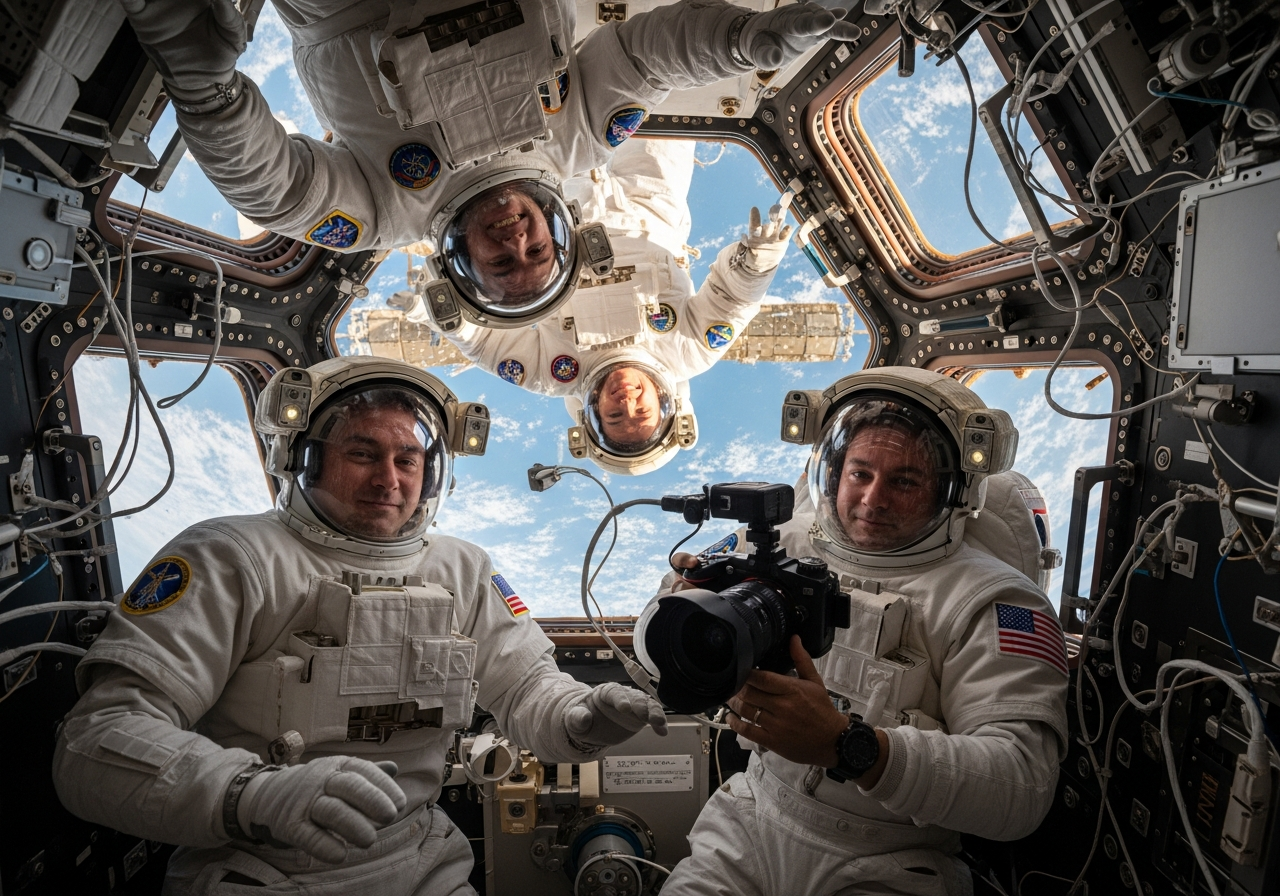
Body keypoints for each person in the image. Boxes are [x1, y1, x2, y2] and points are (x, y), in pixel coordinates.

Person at [52, 357, 668, 895]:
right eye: (362, 453)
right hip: (260, 865)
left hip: (421, 857)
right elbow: (94, 742)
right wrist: (249, 795)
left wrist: (579, 719)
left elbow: (527, 686)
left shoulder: (461, 567)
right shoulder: (232, 555)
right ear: (304, 459)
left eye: (408, 459)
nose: (388, 479)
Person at [117, 0, 857, 327]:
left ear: (465, 264)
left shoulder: (383, 213)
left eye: (503, 263)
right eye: (538, 249)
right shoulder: (581, 145)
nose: (517, 240)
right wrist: (743, 41)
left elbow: (277, 190)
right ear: (560, 232)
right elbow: (642, 57)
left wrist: (203, 86)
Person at [648, 367, 1070, 895]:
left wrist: (848, 746)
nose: (874, 500)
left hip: (888, 856)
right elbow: (664, 614)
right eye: (860, 473)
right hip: (753, 819)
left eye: (905, 481)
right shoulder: (779, 542)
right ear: (833, 472)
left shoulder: (994, 600)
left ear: (951, 491)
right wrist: (683, 598)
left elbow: (1021, 786)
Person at [393, 136, 791, 475]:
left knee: (556, 110)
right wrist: (756, 262)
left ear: (594, 412)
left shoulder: (553, 374)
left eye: (615, 416)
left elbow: (484, 344)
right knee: (662, 100)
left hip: (560, 206)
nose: (627, 402)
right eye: (642, 412)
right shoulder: (690, 352)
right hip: (651, 205)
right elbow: (733, 300)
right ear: (665, 402)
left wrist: (436, 314)